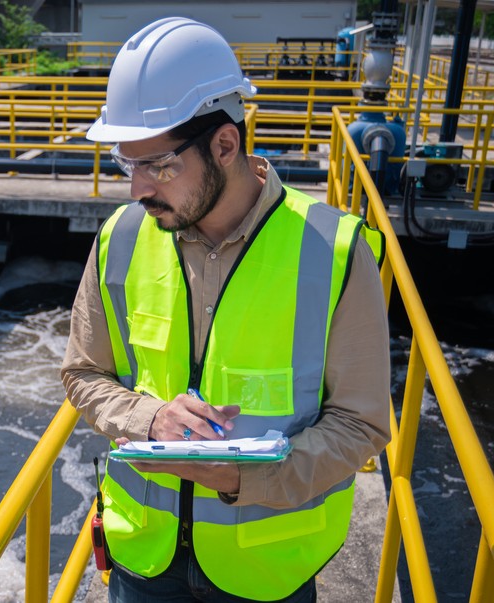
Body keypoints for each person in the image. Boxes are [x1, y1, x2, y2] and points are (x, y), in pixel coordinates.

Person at [61, 17, 391, 603]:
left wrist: (247, 477)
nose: (138, 188)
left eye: (158, 166)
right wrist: (149, 419)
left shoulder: (335, 251)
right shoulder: (122, 238)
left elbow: (360, 424)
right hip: (143, 559)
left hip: (267, 571)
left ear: (225, 145)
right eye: (125, 163)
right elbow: (84, 373)